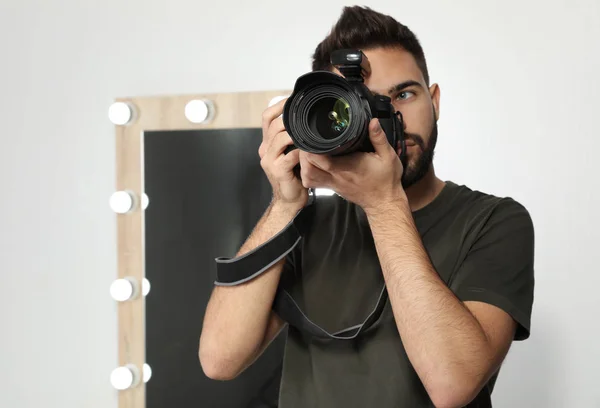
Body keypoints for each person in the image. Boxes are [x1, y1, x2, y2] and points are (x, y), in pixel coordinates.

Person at [199, 5, 535, 408]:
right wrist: (285, 205)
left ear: (435, 101)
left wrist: (384, 204)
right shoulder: (307, 224)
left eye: (404, 95)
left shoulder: (494, 222)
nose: (387, 119)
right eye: (363, 105)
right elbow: (219, 360)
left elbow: (453, 385)